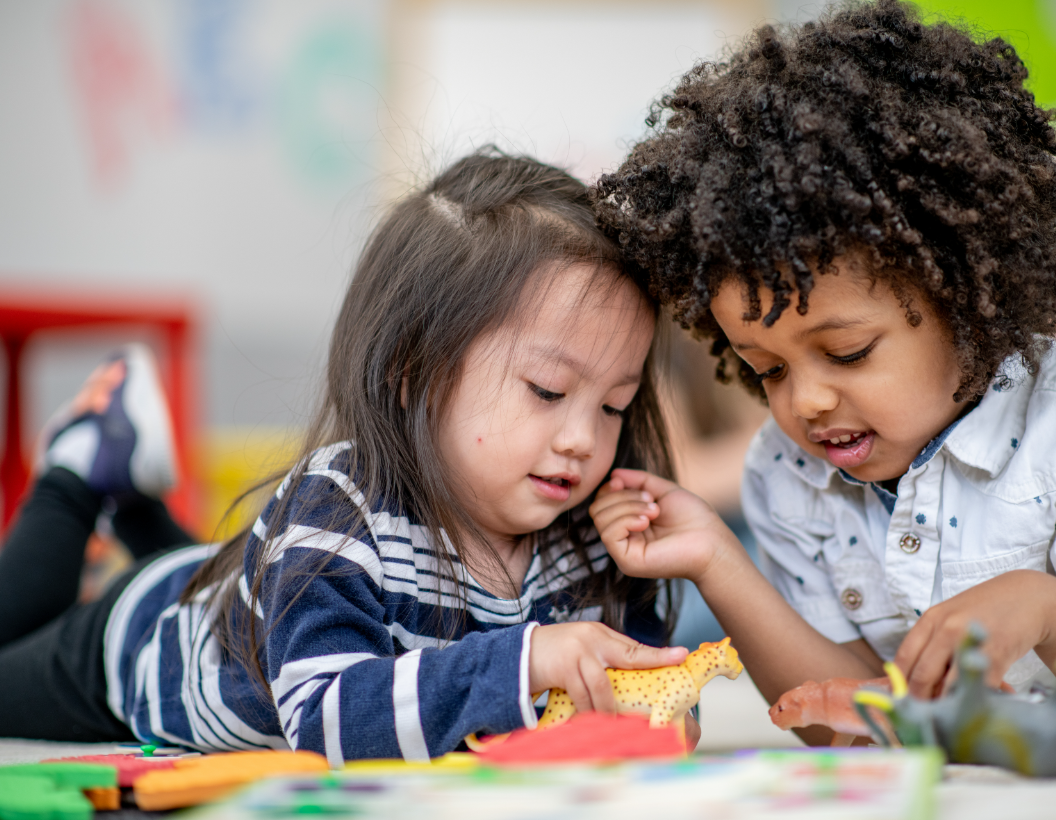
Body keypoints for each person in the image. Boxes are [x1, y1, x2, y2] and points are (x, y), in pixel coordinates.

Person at [586, 0, 1056, 752]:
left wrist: (1047, 608)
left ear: (967, 302)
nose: (805, 401)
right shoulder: (787, 469)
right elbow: (830, 720)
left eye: (847, 353)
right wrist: (719, 560)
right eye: (767, 370)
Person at [0, 151, 692, 762]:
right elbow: (326, 714)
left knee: (233, 581)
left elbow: (639, 682)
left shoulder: (590, 537)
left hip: (248, 595)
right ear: (414, 369)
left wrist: (661, 709)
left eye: (613, 406)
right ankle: (82, 466)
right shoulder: (342, 501)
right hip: (140, 645)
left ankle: (138, 508)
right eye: (548, 390)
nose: (583, 438)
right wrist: (526, 661)